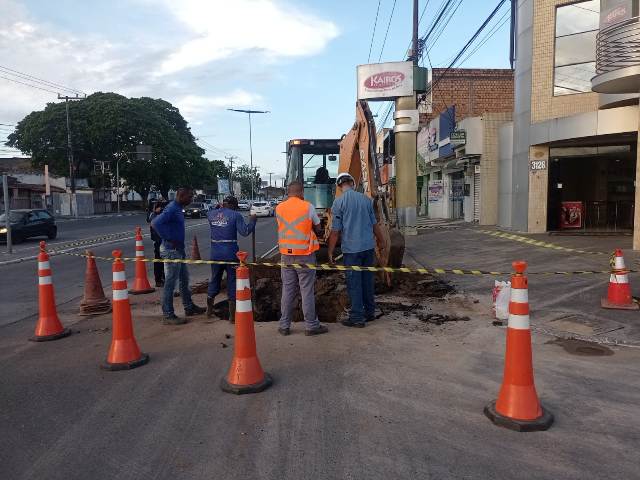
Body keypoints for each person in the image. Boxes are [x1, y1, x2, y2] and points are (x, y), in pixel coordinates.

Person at [327, 173, 387, 328]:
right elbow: (375, 225)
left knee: (354, 283)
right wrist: (382, 241)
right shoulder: (366, 201)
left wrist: (330, 251)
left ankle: (357, 318)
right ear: (353, 183)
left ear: (339, 186)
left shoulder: (338, 203)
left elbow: (335, 231)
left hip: (352, 251)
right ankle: (369, 312)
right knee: (367, 281)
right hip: (368, 249)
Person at [275, 181, 328, 336]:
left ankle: (284, 325)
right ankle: (311, 326)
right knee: (306, 291)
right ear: (302, 192)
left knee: (288, 290)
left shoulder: (279, 208)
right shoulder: (308, 206)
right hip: (305, 255)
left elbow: (282, 227)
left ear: (288, 192)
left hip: (286, 255)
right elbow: (318, 228)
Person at [151, 187, 206, 324]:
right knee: (170, 283)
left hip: (178, 249)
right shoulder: (172, 208)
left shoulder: (177, 207)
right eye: (190, 197)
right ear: (181, 196)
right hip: (171, 250)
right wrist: (168, 238)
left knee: (184, 279)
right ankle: (168, 315)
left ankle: (189, 307)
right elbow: (155, 223)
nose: (191, 199)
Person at [206, 195, 257, 322]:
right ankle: (232, 317)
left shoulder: (210, 214)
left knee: (214, 280)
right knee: (232, 281)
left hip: (215, 255)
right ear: (234, 205)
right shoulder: (235, 215)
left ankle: (209, 311)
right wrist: (252, 221)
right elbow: (244, 232)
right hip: (230, 254)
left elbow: (215, 214)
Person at [147, 201, 165, 287]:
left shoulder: (158, 215)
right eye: (159, 207)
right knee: (159, 261)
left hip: (162, 240)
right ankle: (158, 279)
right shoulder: (153, 215)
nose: (160, 209)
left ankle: (163, 278)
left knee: (163, 261)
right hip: (158, 241)